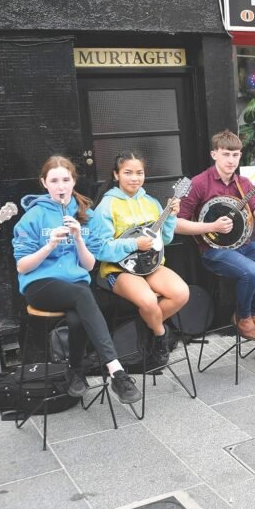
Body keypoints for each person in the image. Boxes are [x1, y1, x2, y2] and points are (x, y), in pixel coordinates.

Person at [12, 156, 141, 405]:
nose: (61, 186)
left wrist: (79, 238)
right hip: (41, 284)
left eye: (66, 180)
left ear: (73, 181)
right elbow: (22, 265)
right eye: (54, 181)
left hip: (75, 282)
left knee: (77, 316)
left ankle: (75, 370)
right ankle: (116, 370)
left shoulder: (86, 215)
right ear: (44, 183)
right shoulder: (33, 217)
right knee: (83, 296)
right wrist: (49, 245)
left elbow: (89, 265)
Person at [175, 130, 255, 341]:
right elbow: (176, 224)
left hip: (244, 245)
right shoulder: (199, 183)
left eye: (235, 155)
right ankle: (243, 318)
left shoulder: (244, 184)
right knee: (252, 271)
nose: (231, 160)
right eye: (226, 154)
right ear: (214, 154)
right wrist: (212, 226)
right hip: (213, 250)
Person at [93, 152, 190, 368]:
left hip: (151, 265)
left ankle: (146, 327)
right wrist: (133, 244)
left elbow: (165, 238)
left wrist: (171, 216)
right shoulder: (106, 206)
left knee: (181, 293)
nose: (134, 178)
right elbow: (99, 249)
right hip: (119, 269)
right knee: (147, 301)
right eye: (128, 172)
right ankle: (159, 335)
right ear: (116, 175)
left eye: (139, 173)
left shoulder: (152, 203)